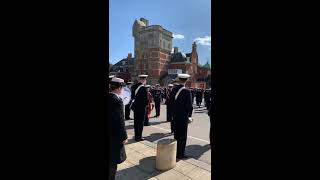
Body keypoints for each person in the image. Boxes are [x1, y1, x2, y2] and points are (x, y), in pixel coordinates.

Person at [108, 77, 128, 180]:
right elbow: (120, 121)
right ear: (118, 88)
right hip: (114, 135)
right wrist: (124, 136)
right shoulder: (117, 100)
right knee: (113, 159)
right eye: (122, 87)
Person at [169, 74, 193, 159]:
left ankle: (175, 152)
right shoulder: (187, 91)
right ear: (186, 80)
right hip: (183, 117)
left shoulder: (174, 89)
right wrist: (189, 116)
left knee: (176, 135)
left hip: (175, 116)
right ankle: (180, 154)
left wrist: (172, 114)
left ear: (179, 80)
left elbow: (170, 103)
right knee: (182, 136)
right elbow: (189, 106)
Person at [130, 75, 148, 141]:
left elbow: (132, 97)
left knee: (136, 122)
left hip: (135, 107)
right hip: (142, 108)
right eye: (145, 80)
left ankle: (136, 136)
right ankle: (139, 137)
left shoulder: (133, 87)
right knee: (140, 123)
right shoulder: (143, 88)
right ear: (144, 80)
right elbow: (146, 100)